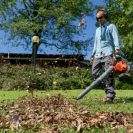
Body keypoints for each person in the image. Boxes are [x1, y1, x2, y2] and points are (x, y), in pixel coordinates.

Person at [91, 9, 121, 102]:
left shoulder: (111, 26)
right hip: (97, 55)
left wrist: (117, 50)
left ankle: (110, 95)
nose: (99, 20)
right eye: (97, 18)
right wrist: (93, 53)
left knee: (108, 75)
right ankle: (108, 90)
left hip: (108, 53)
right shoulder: (97, 30)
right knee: (95, 74)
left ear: (105, 17)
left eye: (100, 17)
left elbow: (115, 38)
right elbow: (96, 42)